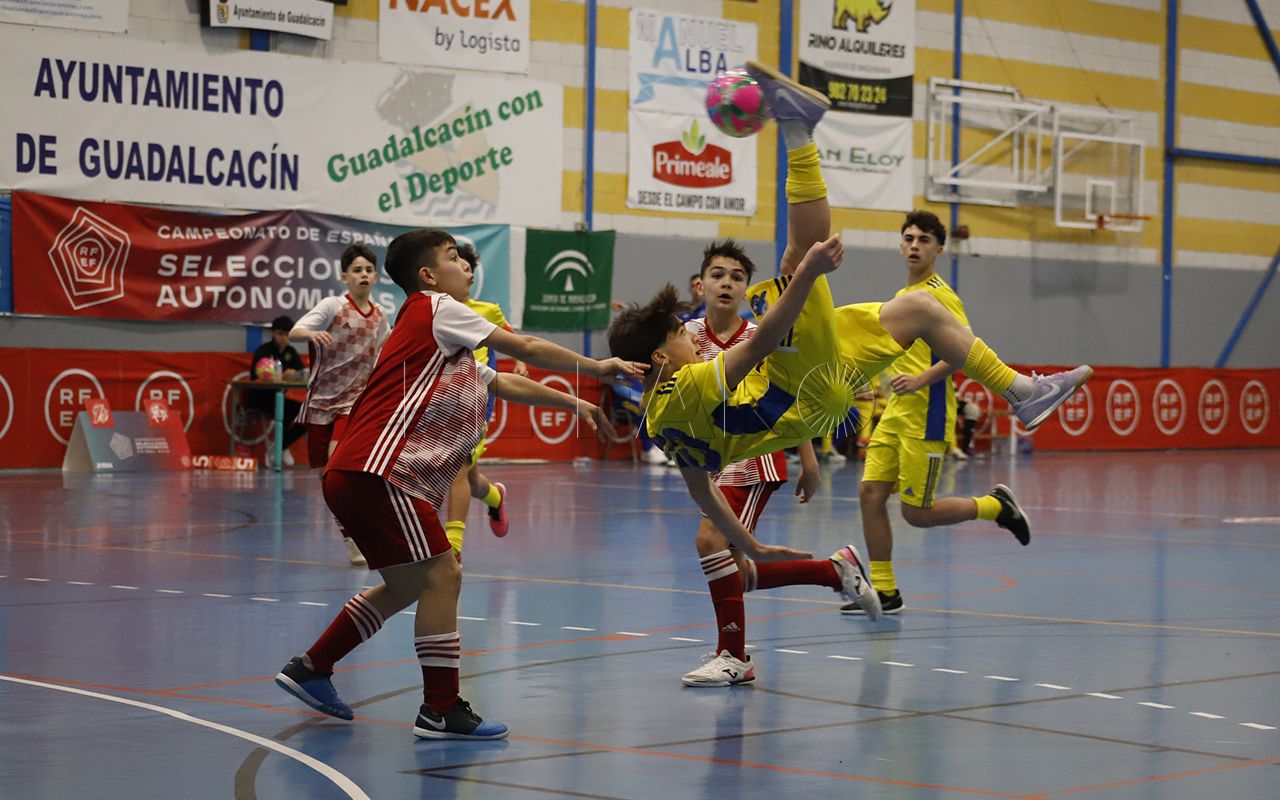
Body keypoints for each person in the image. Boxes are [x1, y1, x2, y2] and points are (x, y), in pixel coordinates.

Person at [608, 62, 1090, 624]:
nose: (689, 335)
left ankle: (1022, 392)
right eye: (678, 334)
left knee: (919, 309)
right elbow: (762, 341)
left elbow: (702, 493)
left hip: (803, 397)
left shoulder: (659, 421)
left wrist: (753, 545)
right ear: (661, 358)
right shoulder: (689, 384)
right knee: (800, 257)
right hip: (797, 388)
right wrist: (809, 276)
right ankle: (796, 128)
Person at [275, 228, 643, 741]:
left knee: (408, 584)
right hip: (381, 473)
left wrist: (573, 401)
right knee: (444, 575)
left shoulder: (440, 341)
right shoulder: (435, 307)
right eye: (454, 258)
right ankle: (441, 708)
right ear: (428, 275)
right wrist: (595, 366)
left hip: (362, 475)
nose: (466, 266)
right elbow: (525, 346)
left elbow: (503, 381)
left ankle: (312, 667)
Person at [682, 238, 859, 688]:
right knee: (734, 573)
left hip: (755, 458)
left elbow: (789, 401)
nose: (727, 283)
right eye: (718, 275)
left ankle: (734, 656)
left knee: (709, 541)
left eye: (737, 277)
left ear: (746, 288)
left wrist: (809, 460)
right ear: (700, 285)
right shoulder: (687, 336)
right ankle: (832, 571)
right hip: (714, 458)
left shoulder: (759, 335)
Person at [844, 211, 1030, 617]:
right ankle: (885, 591)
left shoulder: (939, 296)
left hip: (927, 414)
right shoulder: (901, 296)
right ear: (900, 245)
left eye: (924, 240)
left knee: (917, 514)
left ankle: (995, 506)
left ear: (939, 249)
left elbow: (966, 350)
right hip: (895, 412)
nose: (914, 245)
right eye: (909, 238)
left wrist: (922, 379)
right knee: (870, 494)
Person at [289, 244, 391, 567]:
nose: (364, 275)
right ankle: (350, 536)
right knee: (326, 478)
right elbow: (295, 331)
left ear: (376, 277)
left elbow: (388, 352)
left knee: (338, 464)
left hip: (354, 401)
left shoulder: (380, 316)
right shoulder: (333, 306)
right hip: (322, 402)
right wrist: (310, 334)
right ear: (345, 277)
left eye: (369, 270)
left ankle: (367, 532)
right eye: (357, 270)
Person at [441, 243, 527, 557]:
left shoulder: (487, 310)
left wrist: (520, 360)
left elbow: (511, 337)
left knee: (459, 470)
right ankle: (494, 497)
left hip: (476, 400)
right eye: (458, 265)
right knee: (469, 477)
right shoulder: (432, 312)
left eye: (468, 268)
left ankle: (453, 549)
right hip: (441, 401)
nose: (465, 272)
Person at [246, 315, 308, 467]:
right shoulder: (263, 351)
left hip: (281, 398)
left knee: (307, 414)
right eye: (280, 334)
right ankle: (281, 447)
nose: (283, 338)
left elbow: (302, 373)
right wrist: (279, 375)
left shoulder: (291, 352)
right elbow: (255, 376)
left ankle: (280, 446)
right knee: (286, 412)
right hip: (261, 399)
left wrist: (294, 374)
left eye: (287, 334)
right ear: (273, 333)